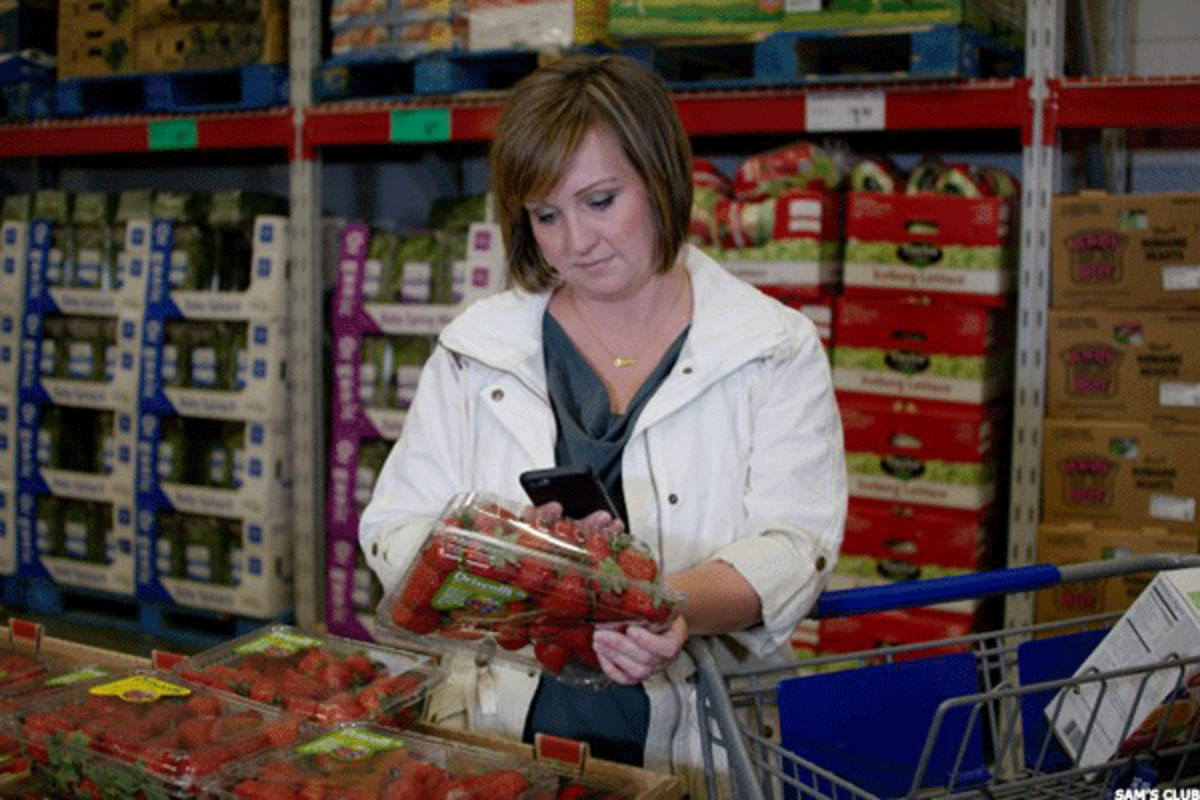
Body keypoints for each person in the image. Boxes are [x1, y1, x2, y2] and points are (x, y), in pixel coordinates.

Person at [359, 53, 847, 797]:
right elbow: (395, 528)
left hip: (701, 742)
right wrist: (506, 562)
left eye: (600, 201)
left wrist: (667, 607)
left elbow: (794, 544)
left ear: (660, 177)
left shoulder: (772, 348)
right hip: (495, 736)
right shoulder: (476, 349)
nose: (574, 242)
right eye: (546, 215)